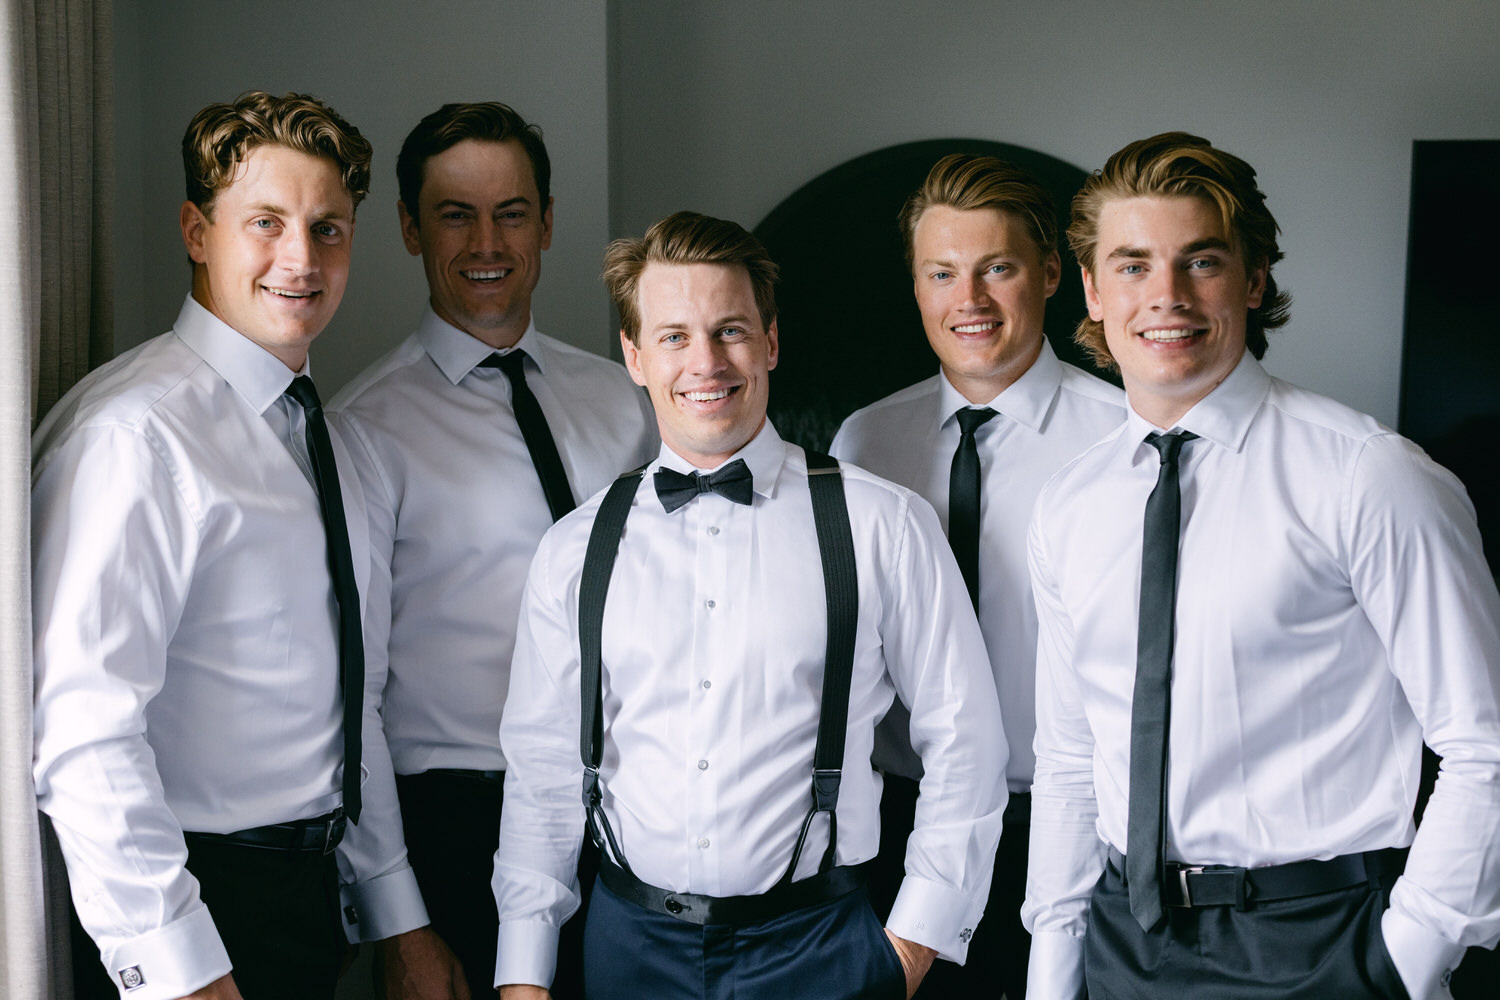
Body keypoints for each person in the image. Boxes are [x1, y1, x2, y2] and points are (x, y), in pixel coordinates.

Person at [1023, 131, 1500, 1000]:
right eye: (1131, 266)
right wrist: (1055, 973)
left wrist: (1405, 957)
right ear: (1090, 290)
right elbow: (1069, 758)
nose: (1165, 297)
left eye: (1200, 261)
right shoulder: (1070, 505)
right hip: (1120, 944)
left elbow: (1486, 741)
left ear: (1254, 278)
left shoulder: (1370, 475)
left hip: (1321, 944)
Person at [490, 211, 1007, 1000]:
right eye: (673, 336)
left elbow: (967, 745)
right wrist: (523, 977)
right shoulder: (574, 548)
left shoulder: (883, 525)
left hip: (822, 946)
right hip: (629, 945)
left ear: (769, 342)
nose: (705, 361)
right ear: (633, 355)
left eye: (729, 330)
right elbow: (541, 775)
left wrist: (908, 948)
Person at [32, 91, 374, 1000]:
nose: (302, 259)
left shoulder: (313, 429)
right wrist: (179, 969)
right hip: (198, 911)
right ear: (196, 230)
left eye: (328, 228)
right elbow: (83, 732)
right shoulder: (136, 436)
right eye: (265, 222)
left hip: (300, 901)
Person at [329, 102, 655, 1000]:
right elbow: (352, 700)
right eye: (454, 214)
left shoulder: (626, 399)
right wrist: (402, 925)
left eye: (511, 212)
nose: (487, 241)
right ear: (408, 227)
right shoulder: (363, 429)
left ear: (547, 224)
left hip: (634, 819)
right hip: (458, 825)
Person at [830, 153, 1123, 998]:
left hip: (1068, 831)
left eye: (998, 268)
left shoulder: (1124, 439)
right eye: (943, 273)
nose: (971, 301)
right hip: (896, 830)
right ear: (917, 287)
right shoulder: (864, 443)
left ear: (1053, 275)